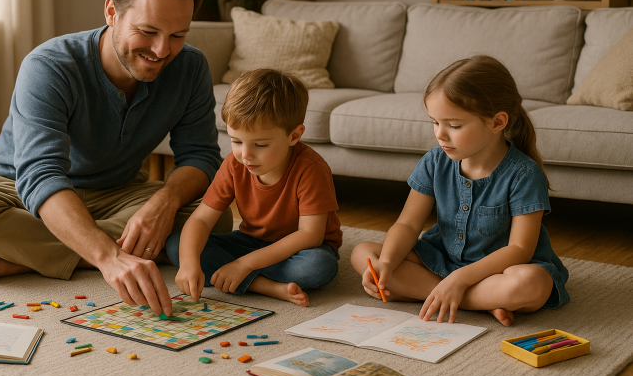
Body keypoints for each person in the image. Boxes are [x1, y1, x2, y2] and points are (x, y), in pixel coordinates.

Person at [0, 0, 232, 316]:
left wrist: (165, 203)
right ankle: (88, 251)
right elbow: (41, 175)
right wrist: (108, 258)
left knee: (216, 217)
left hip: (118, 191)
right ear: (111, 12)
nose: (161, 50)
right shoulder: (49, 66)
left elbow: (201, 156)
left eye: (177, 35)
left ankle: (35, 257)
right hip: (18, 190)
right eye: (148, 31)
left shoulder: (190, 66)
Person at [350, 55, 569, 327]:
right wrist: (387, 263)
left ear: (497, 122)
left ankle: (446, 292)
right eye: (435, 122)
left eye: (453, 125)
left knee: (528, 285)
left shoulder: (524, 174)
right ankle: (473, 302)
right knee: (363, 253)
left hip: (498, 271)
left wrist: (459, 279)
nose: (440, 134)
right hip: (441, 260)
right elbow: (407, 224)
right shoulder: (434, 161)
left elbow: (519, 250)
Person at [166, 69, 342, 307]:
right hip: (251, 241)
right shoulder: (234, 163)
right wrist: (188, 265)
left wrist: (244, 264)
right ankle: (266, 286)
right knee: (178, 245)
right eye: (236, 141)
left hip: (301, 249)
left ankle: (240, 276)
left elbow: (309, 235)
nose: (245, 155)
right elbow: (200, 221)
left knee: (317, 267)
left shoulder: (311, 168)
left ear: (294, 135)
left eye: (260, 144)